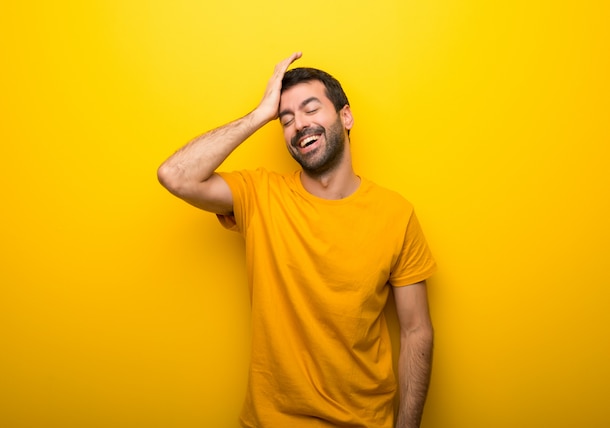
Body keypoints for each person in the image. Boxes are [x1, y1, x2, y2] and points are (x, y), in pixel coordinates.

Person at [157, 52, 437, 428]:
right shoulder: (260, 195)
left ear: (345, 116)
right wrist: (259, 115)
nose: (299, 125)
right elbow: (175, 175)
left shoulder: (396, 214)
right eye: (285, 119)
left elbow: (417, 330)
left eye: (310, 109)